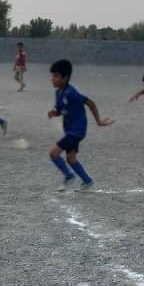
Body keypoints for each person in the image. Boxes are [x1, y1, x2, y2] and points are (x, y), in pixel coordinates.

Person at [48, 59, 112, 192]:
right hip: (70, 130)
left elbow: (90, 103)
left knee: (53, 153)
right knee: (71, 159)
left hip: (76, 131)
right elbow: (61, 110)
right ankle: (87, 181)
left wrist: (98, 121)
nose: (52, 79)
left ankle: (69, 176)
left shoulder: (72, 93)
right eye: (52, 76)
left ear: (65, 77)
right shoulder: (58, 93)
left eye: (56, 76)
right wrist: (54, 113)